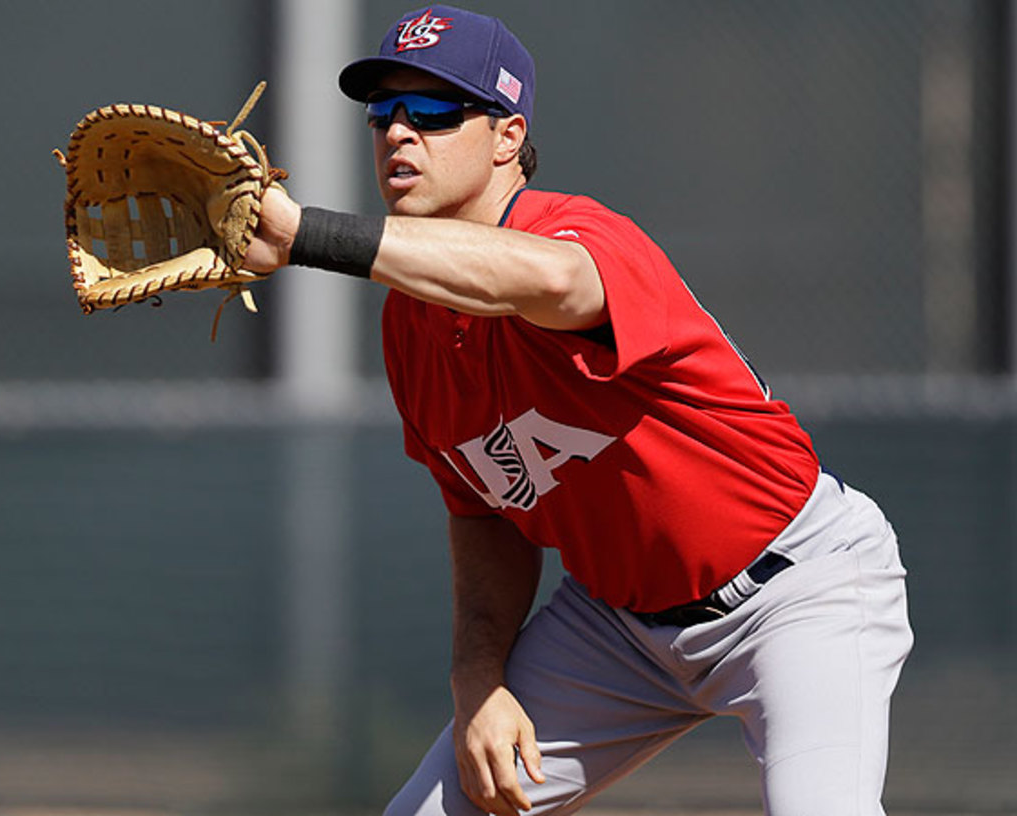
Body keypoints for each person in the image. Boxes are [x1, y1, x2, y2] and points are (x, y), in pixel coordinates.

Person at [241, 6, 913, 815]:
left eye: (434, 111)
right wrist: (477, 679)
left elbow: (546, 283)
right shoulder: (409, 324)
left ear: (507, 136)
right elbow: (483, 511)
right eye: (383, 113)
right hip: (616, 628)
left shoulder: (579, 234)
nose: (397, 134)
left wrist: (306, 235)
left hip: (796, 590)